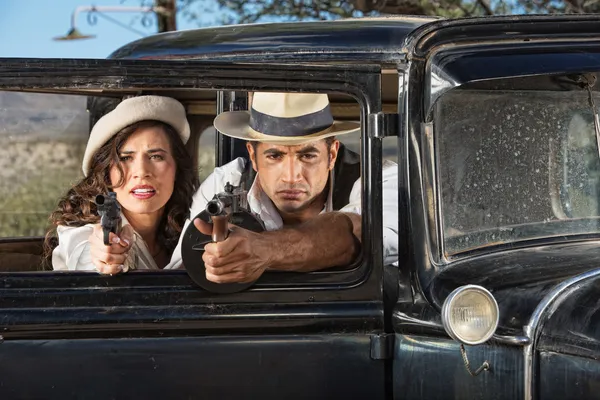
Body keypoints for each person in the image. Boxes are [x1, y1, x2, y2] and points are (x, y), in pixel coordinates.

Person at [170, 91, 398, 284]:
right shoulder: (226, 182)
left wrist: (266, 250)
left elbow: (362, 233)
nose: (291, 176)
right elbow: (177, 277)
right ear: (253, 155)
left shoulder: (378, 178)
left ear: (332, 154)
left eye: (307, 155)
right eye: (275, 155)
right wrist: (215, 261)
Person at [46, 95, 198, 273]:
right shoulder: (81, 236)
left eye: (156, 156)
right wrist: (105, 256)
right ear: (107, 173)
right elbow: (87, 255)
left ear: (176, 168)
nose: (141, 172)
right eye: (125, 158)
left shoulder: (191, 227)